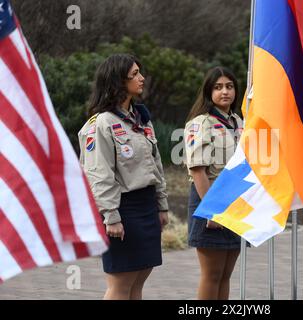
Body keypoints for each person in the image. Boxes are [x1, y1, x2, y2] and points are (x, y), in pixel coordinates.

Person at [78, 54, 169, 300]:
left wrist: (161, 205)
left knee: (138, 281)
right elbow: (99, 174)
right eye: (135, 74)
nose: (141, 78)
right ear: (118, 81)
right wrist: (111, 216)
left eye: (140, 72)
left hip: (146, 206)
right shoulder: (101, 124)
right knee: (120, 283)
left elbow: (155, 165)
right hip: (122, 209)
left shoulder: (141, 120)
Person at [184, 67, 244, 300]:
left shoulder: (238, 121)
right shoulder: (200, 124)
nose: (225, 92)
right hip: (210, 198)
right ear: (209, 92)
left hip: (235, 200)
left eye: (229, 86)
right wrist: (212, 209)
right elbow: (198, 170)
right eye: (218, 87)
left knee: (226, 273)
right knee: (212, 273)